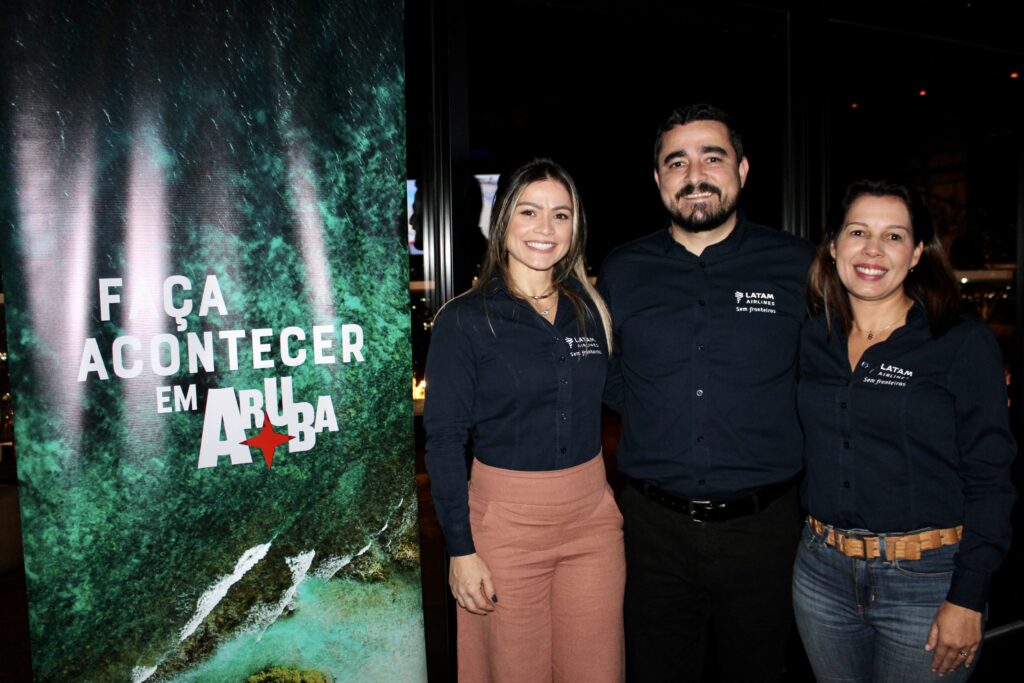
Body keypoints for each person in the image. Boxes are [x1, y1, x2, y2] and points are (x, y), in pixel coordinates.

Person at [597, 103, 814, 681]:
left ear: (742, 170)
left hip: (765, 530)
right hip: (652, 532)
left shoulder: (798, 266)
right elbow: (611, 380)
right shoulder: (623, 270)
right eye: (677, 161)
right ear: (658, 180)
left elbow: (828, 376)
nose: (695, 174)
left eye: (711, 157)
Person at [793, 180, 1016, 681]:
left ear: (916, 253)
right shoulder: (813, 335)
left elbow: (991, 479)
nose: (873, 250)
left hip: (927, 583)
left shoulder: (960, 342)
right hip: (820, 574)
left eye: (894, 236)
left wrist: (968, 596)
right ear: (833, 246)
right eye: (858, 232)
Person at [424, 158, 625, 682]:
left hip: (592, 522)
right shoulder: (465, 319)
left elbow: (628, 394)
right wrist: (460, 550)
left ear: (575, 228)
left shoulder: (590, 311)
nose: (545, 228)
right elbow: (443, 441)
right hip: (506, 526)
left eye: (561, 215)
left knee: (596, 669)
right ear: (503, 220)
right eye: (530, 211)